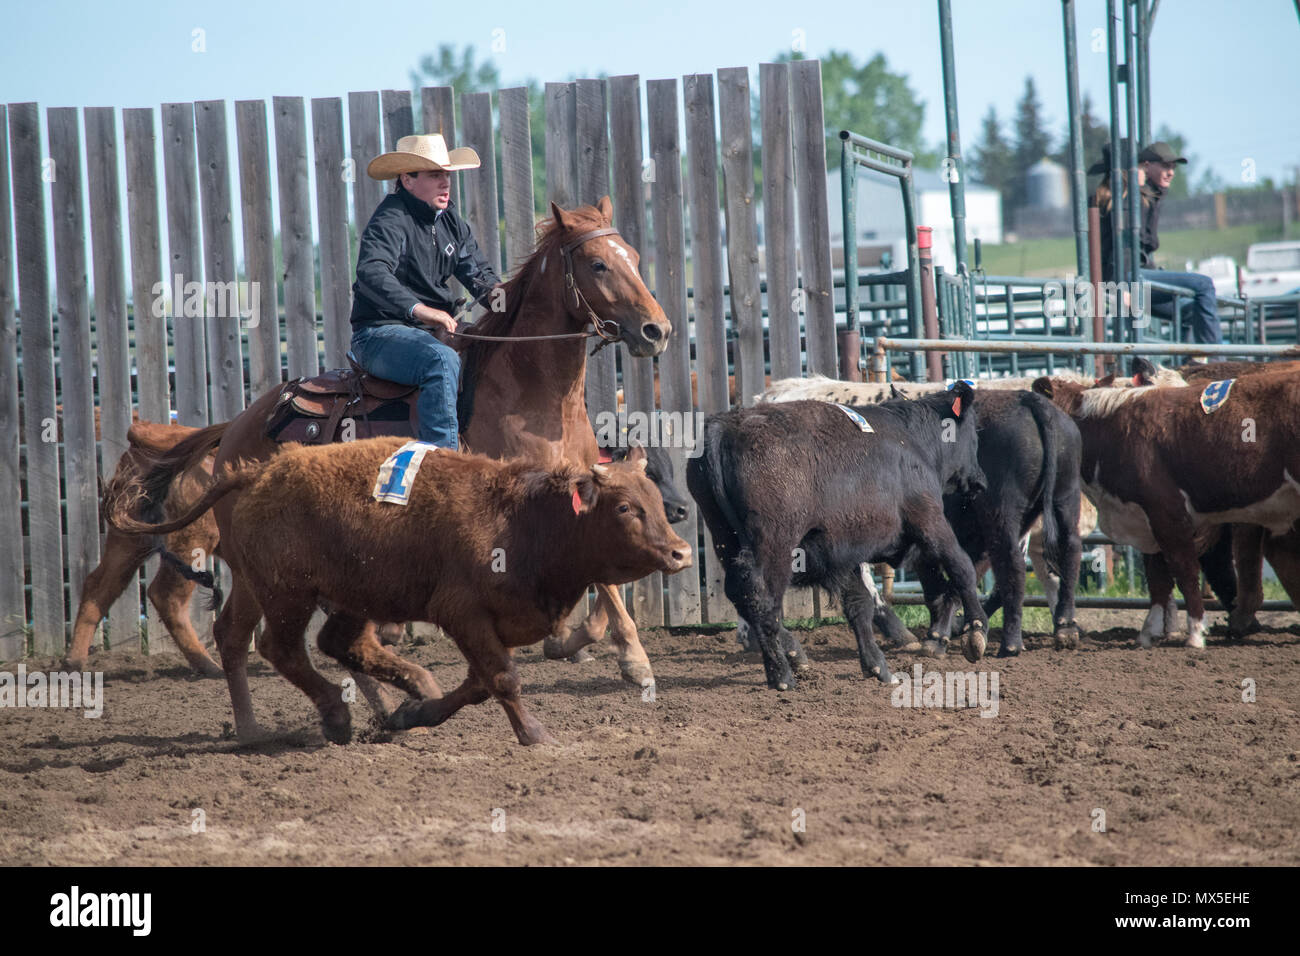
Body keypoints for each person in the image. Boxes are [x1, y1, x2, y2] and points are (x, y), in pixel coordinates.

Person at [349, 134, 501, 449]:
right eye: (435, 175)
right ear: (407, 179)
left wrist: (508, 300)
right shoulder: (390, 219)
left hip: (430, 331)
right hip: (378, 334)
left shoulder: (451, 223)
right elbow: (372, 272)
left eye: (447, 174)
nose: (446, 183)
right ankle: (443, 466)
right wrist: (422, 310)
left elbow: (479, 276)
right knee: (440, 361)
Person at [1091, 140, 1221, 345]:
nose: (1171, 172)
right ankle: (1215, 359)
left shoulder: (1120, 198)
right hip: (1127, 277)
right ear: (1130, 169)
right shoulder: (1127, 201)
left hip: (1125, 276)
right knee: (1203, 284)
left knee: (1190, 311)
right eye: (1141, 165)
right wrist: (1121, 286)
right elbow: (1121, 248)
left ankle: (1196, 365)